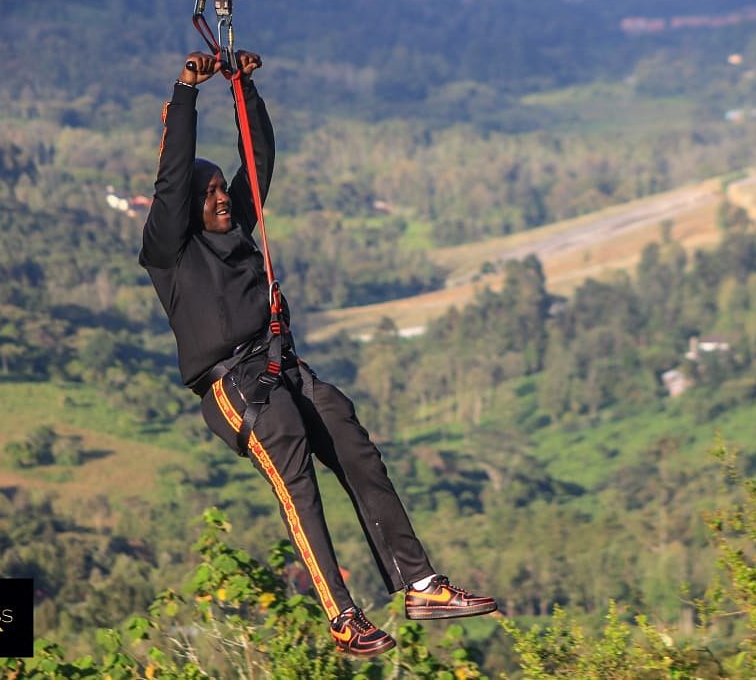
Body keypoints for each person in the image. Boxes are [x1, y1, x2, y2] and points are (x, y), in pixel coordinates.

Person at [139, 51, 497, 658]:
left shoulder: (237, 233)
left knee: (353, 444)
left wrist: (244, 89)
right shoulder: (170, 251)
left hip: (282, 368)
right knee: (297, 478)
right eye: (211, 194)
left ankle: (418, 582)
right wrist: (187, 92)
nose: (223, 198)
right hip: (236, 390)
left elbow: (261, 160)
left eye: (224, 188)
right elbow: (173, 179)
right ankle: (343, 616)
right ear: (187, 210)